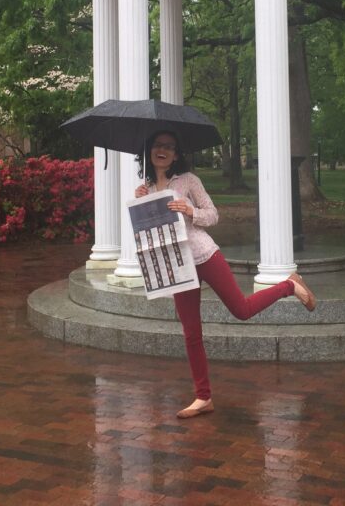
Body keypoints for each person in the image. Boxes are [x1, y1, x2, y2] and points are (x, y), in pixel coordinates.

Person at [135, 130, 317, 419]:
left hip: (206, 255)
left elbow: (213, 215)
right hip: (179, 265)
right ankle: (203, 397)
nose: (163, 150)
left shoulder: (189, 181)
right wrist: (139, 203)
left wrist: (190, 210)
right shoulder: (144, 189)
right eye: (158, 145)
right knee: (191, 334)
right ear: (149, 150)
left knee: (241, 310)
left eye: (170, 147)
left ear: (177, 154)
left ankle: (288, 285)